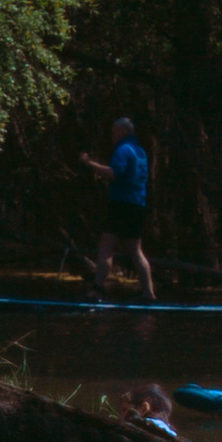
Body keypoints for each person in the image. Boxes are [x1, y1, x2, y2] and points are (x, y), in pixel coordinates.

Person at [79, 117, 157, 305]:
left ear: (122, 132)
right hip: (138, 205)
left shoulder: (123, 149)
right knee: (135, 250)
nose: (112, 135)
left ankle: (97, 291)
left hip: (121, 205)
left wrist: (89, 164)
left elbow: (113, 173)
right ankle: (149, 294)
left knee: (106, 246)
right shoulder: (140, 151)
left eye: (114, 132)